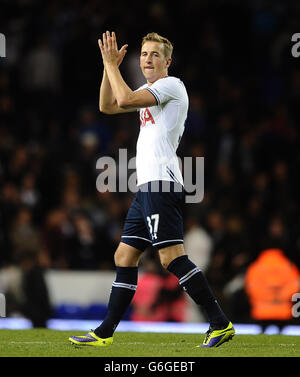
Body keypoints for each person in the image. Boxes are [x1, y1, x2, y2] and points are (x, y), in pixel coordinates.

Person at [69, 31, 234, 348]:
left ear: (167, 61)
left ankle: (220, 323)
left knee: (171, 258)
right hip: (147, 187)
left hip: (162, 182)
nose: (148, 59)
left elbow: (126, 100)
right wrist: (109, 67)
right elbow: (108, 105)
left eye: (155, 54)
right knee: (125, 255)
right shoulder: (149, 90)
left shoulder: (172, 86)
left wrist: (111, 66)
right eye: (144, 54)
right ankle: (104, 333)